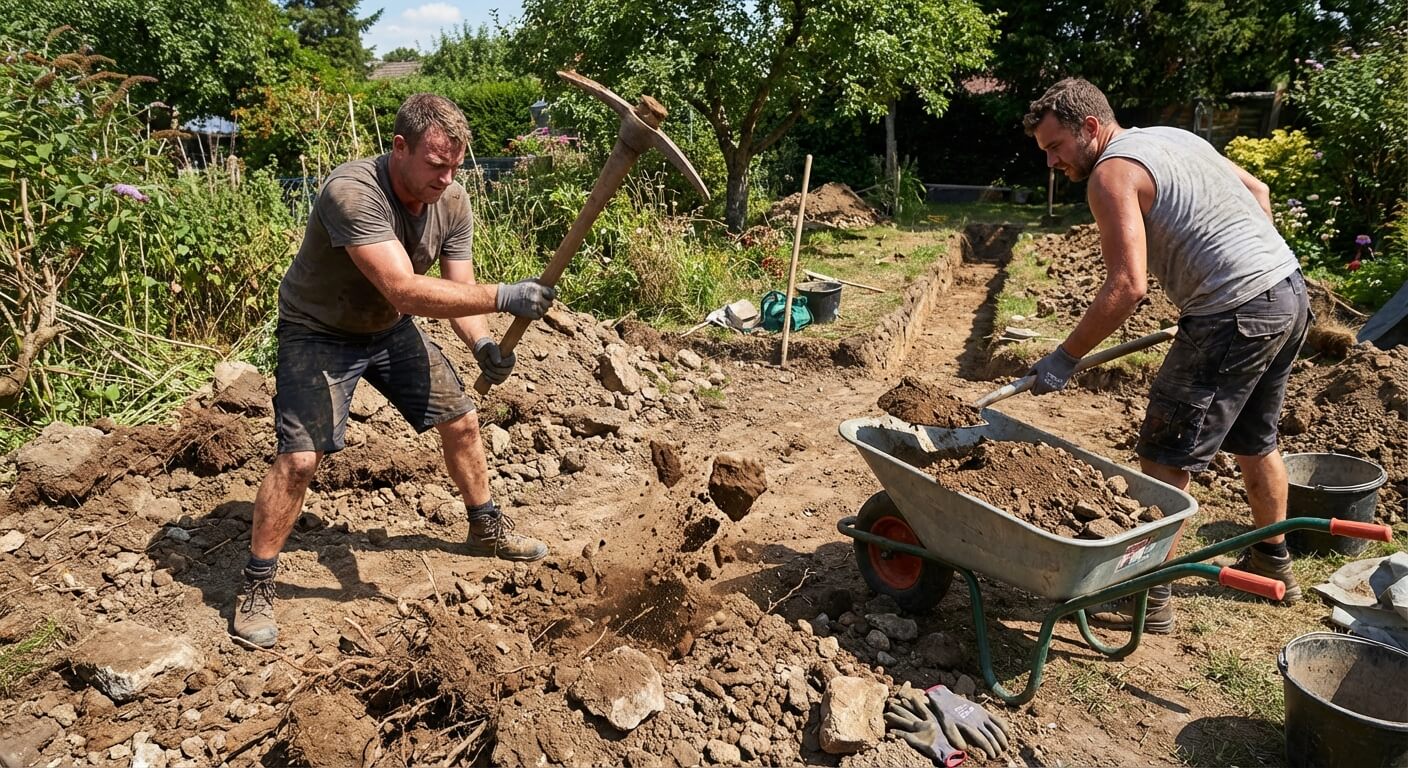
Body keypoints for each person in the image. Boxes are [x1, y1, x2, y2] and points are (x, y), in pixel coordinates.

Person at [232, 93, 557, 648]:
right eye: (436, 164)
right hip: (318, 331)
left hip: (386, 329)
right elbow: (404, 290)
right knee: (301, 458)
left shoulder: (452, 200)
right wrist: (507, 295)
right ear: (399, 147)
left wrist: (481, 342)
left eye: (455, 166)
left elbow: (457, 288)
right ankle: (257, 582)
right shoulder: (351, 191)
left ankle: (485, 528)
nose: (446, 178)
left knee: (462, 421)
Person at [1022, 78, 1310, 633]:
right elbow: (1259, 192)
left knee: (1164, 457)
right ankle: (1271, 559)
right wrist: (1253, 270)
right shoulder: (1171, 137)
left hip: (1234, 311)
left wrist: (1064, 357)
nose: (1051, 162)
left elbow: (1127, 286)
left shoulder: (1111, 173)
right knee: (1256, 439)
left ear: (1090, 127)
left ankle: (1145, 597)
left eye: (1055, 147)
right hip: (1286, 291)